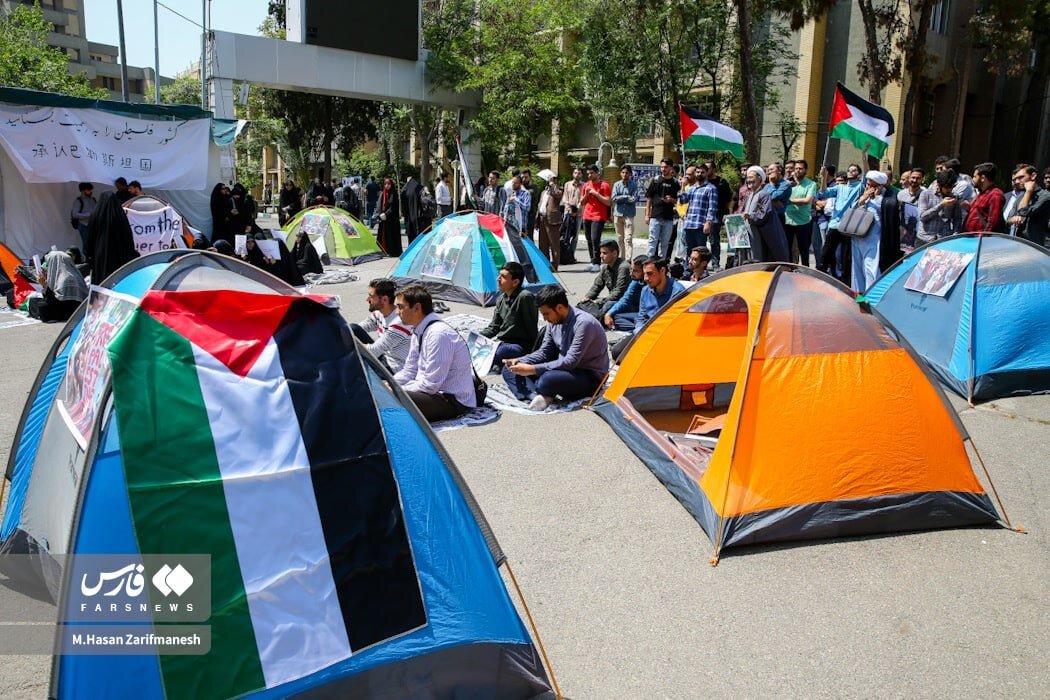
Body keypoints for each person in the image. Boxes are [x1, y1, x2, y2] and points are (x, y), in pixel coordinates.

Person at [501, 287, 609, 410]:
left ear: (559, 308)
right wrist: (521, 360)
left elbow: (570, 361)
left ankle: (541, 391)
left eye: (546, 314)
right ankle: (535, 395)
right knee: (509, 369)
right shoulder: (553, 322)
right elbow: (544, 352)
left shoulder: (584, 324)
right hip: (564, 370)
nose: (545, 319)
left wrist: (532, 369)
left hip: (588, 376)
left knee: (547, 379)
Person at [393, 285, 478, 422]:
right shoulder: (419, 329)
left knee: (394, 399)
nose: (397, 312)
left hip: (452, 400)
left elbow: (431, 385)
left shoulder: (438, 335)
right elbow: (409, 370)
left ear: (417, 308)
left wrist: (397, 390)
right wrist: (390, 383)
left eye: (401, 307)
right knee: (383, 393)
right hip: (431, 392)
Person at [610, 256, 686, 360]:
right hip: (646, 334)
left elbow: (676, 324)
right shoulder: (645, 290)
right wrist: (639, 333)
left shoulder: (678, 292)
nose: (646, 278)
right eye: (645, 274)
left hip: (666, 337)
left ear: (662, 271)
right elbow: (642, 317)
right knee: (617, 352)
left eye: (650, 274)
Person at [479, 261, 539, 367]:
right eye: (499, 275)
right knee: (478, 348)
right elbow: (494, 327)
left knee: (501, 352)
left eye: (503, 277)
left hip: (519, 345)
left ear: (515, 282)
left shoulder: (525, 297)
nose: (498, 279)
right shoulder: (501, 299)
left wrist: (535, 352)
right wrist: (476, 337)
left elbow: (531, 327)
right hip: (502, 342)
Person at [848, 170, 899, 291]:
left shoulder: (887, 199)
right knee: (857, 268)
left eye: (872, 185)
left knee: (871, 268)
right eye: (867, 184)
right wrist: (862, 200)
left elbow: (889, 217)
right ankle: (858, 293)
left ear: (880, 186)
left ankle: (870, 295)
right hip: (857, 237)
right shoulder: (863, 196)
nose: (868, 187)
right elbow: (851, 210)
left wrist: (876, 197)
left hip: (873, 239)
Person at [349, 278, 413, 373]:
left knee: (351, 367)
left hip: (394, 368)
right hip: (384, 357)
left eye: (371, 296)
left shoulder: (398, 323)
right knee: (352, 328)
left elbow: (373, 351)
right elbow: (361, 327)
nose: (367, 300)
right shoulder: (379, 313)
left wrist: (346, 347)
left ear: (384, 299)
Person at [820, 163, 864, 284]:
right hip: (834, 225)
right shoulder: (840, 187)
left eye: (854, 170)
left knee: (845, 258)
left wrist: (864, 156)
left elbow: (867, 175)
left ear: (858, 173)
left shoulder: (860, 186)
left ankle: (845, 282)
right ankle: (820, 275)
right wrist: (824, 177)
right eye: (849, 170)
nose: (851, 172)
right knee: (826, 253)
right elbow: (824, 192)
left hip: (848, 227)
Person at [742, 166, 790, 262]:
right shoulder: (750, 195)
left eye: (751, 177)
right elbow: (742, 212)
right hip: (749, 234)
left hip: (759, 235)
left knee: (758, 258)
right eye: (748, 178)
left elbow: (764, 214)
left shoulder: (764, 194)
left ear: (759, 178)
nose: (749, 180)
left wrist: (750, 216)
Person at [27, 250, 88, 322]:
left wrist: (44, 285)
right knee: (34, 300)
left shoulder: (65, 279)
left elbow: (54, 301)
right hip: (74, 309)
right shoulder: (73, 274)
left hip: (67, 311)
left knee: (39, 304)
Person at [578, 240, 631, 319]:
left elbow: (618, 292)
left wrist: (599, 301)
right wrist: (587, 297)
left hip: (625, 302)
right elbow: (597, 286)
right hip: (612, 300)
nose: (601, 256)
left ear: (614, 254)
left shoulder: (624, 267)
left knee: (607, 305)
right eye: (601, 253)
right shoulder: (605, 267)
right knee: (582, 304)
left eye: (604, 253)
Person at [678, 164, 718, 256]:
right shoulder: (691, 188)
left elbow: (712, 207)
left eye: (702, 172)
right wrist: (683, 186)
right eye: (698, 172)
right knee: (689, 250)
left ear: (707, 173)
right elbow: (682, 200)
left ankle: (700, 270)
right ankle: (688, 270)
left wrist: (708, 222)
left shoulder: (711, 188)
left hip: (701, 225)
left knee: (700, 251)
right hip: (689, 224)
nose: (700, 174)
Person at [645, 158, 680, 258]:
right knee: (652, 241)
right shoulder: (656, 180)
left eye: (665, 167)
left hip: (668, 218)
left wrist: (671, 200)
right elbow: (649, 198)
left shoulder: (675, 183)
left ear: (671, 168)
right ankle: (649, 262)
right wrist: (647, 215)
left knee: (664, 243)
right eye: (662, 167)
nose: (663, 169)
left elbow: (680, 201)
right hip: (655, 216)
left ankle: (662, 263)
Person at [917, 170, 965, 243]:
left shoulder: (954, 196)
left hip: (943, 240)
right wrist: (941, 205)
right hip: (925, 239)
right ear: (939, 185)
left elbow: (957, 219)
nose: (949, 190)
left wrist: (955, 234)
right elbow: (923, 217)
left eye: (951, 187)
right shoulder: (926, 194)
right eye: (947, 187)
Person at [785, 160, 817, 267]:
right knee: (787, 248)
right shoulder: (787, 184)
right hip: (788, 220)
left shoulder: (811, 184)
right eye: (796, 168)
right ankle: (789, 270)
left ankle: (805, 271)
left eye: (800, 168)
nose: (798, 171)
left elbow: (807, 200)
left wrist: (789, 201)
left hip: (803, 222)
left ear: (805, 170)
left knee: (804, 250)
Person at [603, 255, 646, 331]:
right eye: (631, 270)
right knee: (610, 308)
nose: (631, 274)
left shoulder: (651, 284)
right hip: (636, 309)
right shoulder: (636, 281)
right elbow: (625, 299)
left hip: (644, 314)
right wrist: (608, 314)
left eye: (636, 271)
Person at [580, 165, 612, 269]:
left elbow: (608, 202)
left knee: (595, 239)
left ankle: (598, 262)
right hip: (587, 215)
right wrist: (586, 194)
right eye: (588, 173)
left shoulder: (604, 185)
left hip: (598, 216)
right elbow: (582, 202)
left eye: (592, 173)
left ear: (597, 173)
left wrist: (596, 194)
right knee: (589, 239)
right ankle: (592, 261)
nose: (589, 175)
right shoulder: (586, 185)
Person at [1010, 164, 1050, 246]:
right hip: (1018, 243)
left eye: (1021, 177)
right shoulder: (1021, 196)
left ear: (1033, 176)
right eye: (1015, 179)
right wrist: (1012, 219)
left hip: (1036, 247)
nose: (1017, 182)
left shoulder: (1045, 196)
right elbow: (1008, 219)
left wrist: (1028, 191)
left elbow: (1023, 212)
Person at [962, 162, 1007, 233]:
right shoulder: (981, 194)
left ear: (982, 178)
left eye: (975, 177)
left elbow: (993, 223)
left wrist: (984, 239)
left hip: (980, 241)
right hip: (971, 238)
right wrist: (969, 209)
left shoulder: (995, 195)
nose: (973, 179)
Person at [704, 161, 732, 271]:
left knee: (714, 240)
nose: (706, 171)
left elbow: (728, 199)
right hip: (702, 215)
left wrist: (726, 213)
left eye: (708, 168)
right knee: (700, 241)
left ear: (714, 169)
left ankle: (715, 263)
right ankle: (702, 264)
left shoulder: (721, 182)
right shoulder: (702, 182)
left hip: (716, 215)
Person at [611, 165, 638, 261]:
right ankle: (621, 258)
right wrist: (626, 197)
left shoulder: (634, 185)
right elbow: (614, 199)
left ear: (630, 174)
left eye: (626, 172)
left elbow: (634, 199)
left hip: (629, 215)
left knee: (628, 238)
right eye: (623, 172)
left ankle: (628, 259)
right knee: (620, 238)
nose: (624, 174)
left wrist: (621, 198)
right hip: (618, 214)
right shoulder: (616, 185)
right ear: (620, 173)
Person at [537, 174, 563, 270]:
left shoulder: (558, 190)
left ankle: (555, 265)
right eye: (549, 179)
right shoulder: (544, 192)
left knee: (554, 243)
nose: (550, 181)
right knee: (543, 243)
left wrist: (553, 186)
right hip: (542, 218)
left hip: (552, 219)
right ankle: (545, 263)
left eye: (552, 179)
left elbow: (558, 195)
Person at [560, 167, 584, 264]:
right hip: (567, 212)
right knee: (565, 234)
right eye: (575, 173)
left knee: (575, 235)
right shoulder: (567, 184)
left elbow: (583, 199)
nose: (577, 175)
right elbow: (565, 198)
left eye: (579, 173)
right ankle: (565, 254)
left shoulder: (584, 185)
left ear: (581, 175)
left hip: (579, 213)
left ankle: (571, 255)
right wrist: (569, 207)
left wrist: (577, 209)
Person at [376, 177, 402, 256]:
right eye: (385, 184)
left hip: (391, 220)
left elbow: (393, 207)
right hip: (383, 219)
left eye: (388, 184)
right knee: (382, 235)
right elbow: (379, 205)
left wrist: (386, 214)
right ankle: (383, 250)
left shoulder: (393, 194)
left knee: (391, 236)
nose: (387, 186)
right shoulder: (382, 194)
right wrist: (380, 213)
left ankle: (391, 251)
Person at [70, 182, 96, 253]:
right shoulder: (78, 201)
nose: (91, 191)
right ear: (83, 191)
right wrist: (89, 215)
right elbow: (74, 214)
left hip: (92, 225)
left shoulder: (93, 200)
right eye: (89, 190)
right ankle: (88, 259)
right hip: (84, 225)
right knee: (87, 244)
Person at [401, 175, 425, 244]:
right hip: (418, 216)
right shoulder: (419, 187)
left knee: (410, 236)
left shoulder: (405, 189)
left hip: (408, 217)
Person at [521, 169, 540, 242]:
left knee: (529, 237)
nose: (524, 179)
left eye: (526, 177)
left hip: (530, 216)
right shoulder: (519, 188)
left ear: (530, 177)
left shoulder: (534, 187)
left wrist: (521, 187)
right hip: (521, 216)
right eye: (522, 177)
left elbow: (529, 194)